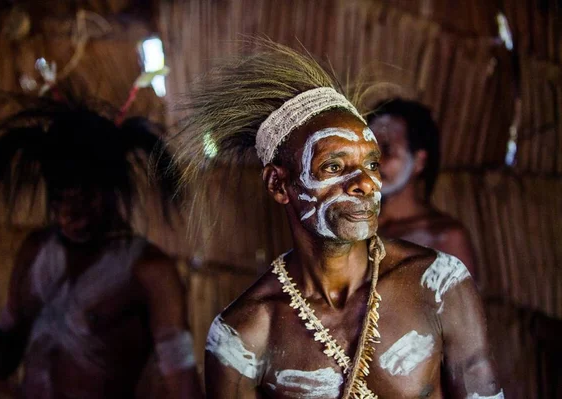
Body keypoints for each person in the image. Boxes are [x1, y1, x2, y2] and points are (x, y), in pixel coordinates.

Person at [175, 41, 503, 398]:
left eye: (372, 164)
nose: (364, 183)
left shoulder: (440, 286)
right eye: (333, 166)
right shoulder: (244, 335)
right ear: (279, 184)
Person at [0, 93, 202, 398]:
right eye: (61, 199)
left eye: (85, 198)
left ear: (112, 191)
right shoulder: (36, 251)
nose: (69, 215)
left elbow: (182, 385)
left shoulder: (150, 272)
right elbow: (6, 348)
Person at [367, 99, 477, 277]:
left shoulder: (445, 238)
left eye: (387, 150)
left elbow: (461, 304)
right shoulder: (355, 225)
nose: (374, 162)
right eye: (369, 151)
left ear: (419, 161)